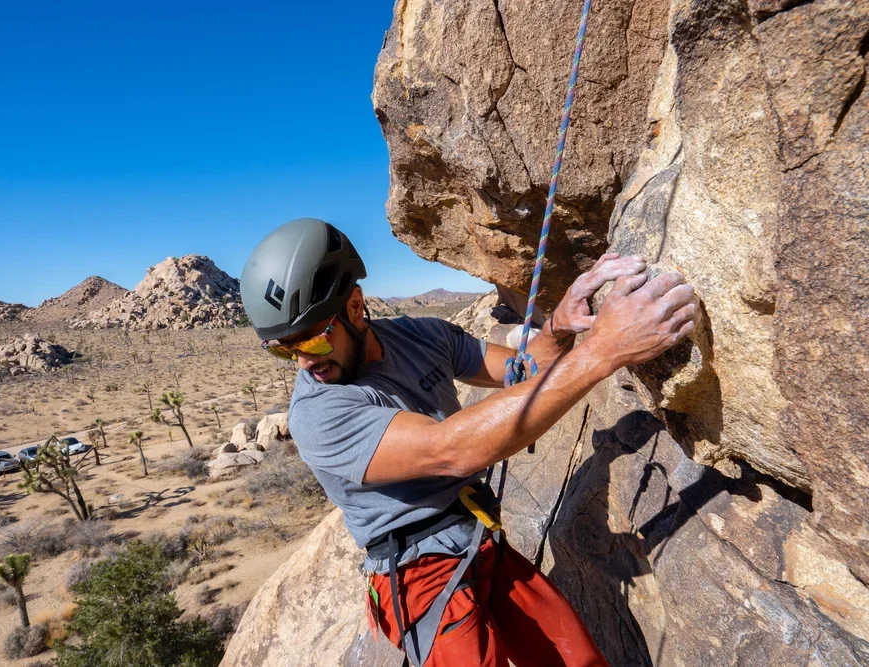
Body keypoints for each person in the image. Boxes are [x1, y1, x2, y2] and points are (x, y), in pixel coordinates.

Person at [240, 218, 698, 667]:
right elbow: (451, 450)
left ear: (356, 306)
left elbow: (521, 372)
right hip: (417, 573)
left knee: (577, 659)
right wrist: (605, 351)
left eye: (313, 343)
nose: (302, 362)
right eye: (284, 349)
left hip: (480, 541)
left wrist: (559, 325)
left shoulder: (422, 335)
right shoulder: (317, 414)